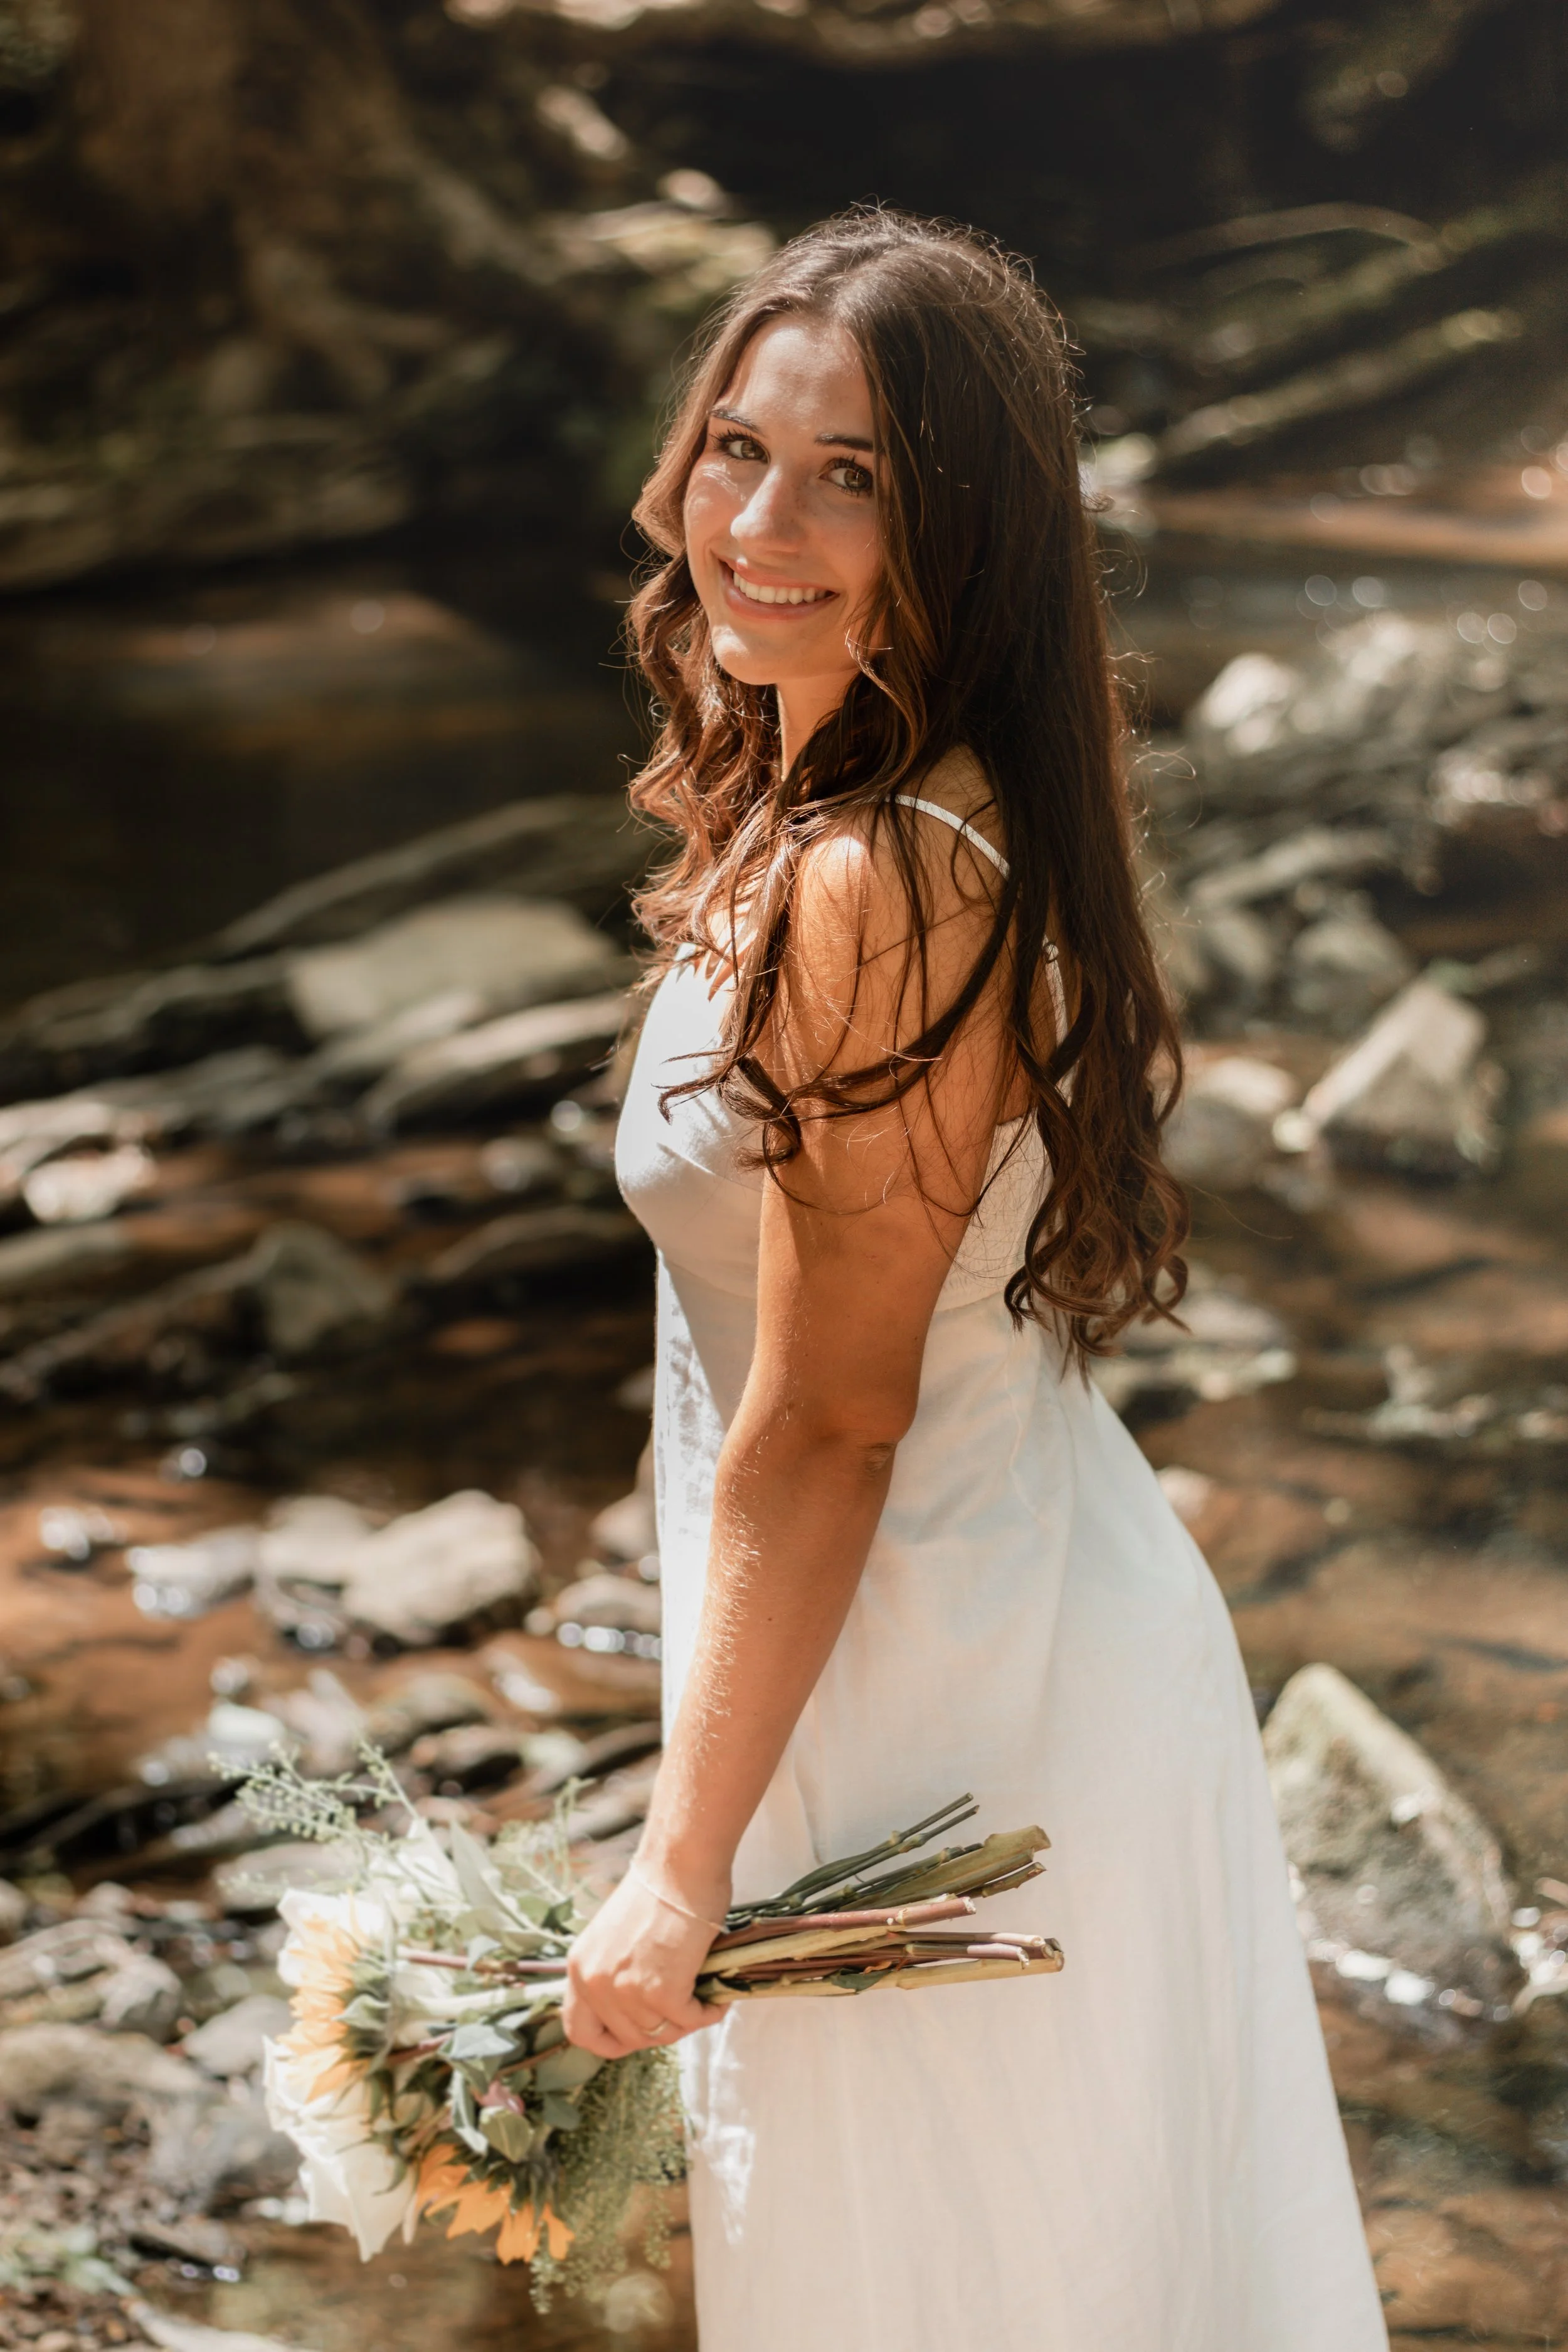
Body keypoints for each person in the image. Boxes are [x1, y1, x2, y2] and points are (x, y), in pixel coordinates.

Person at [563, 208, 1389, 2351]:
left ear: (966, 526)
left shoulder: (884, 877)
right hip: (919, 1642)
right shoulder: (832, 793)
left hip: (968, 1706)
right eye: (739, 444)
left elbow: (835, 1413)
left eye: (850, 474)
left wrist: (678, 1860)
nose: (759, 517)